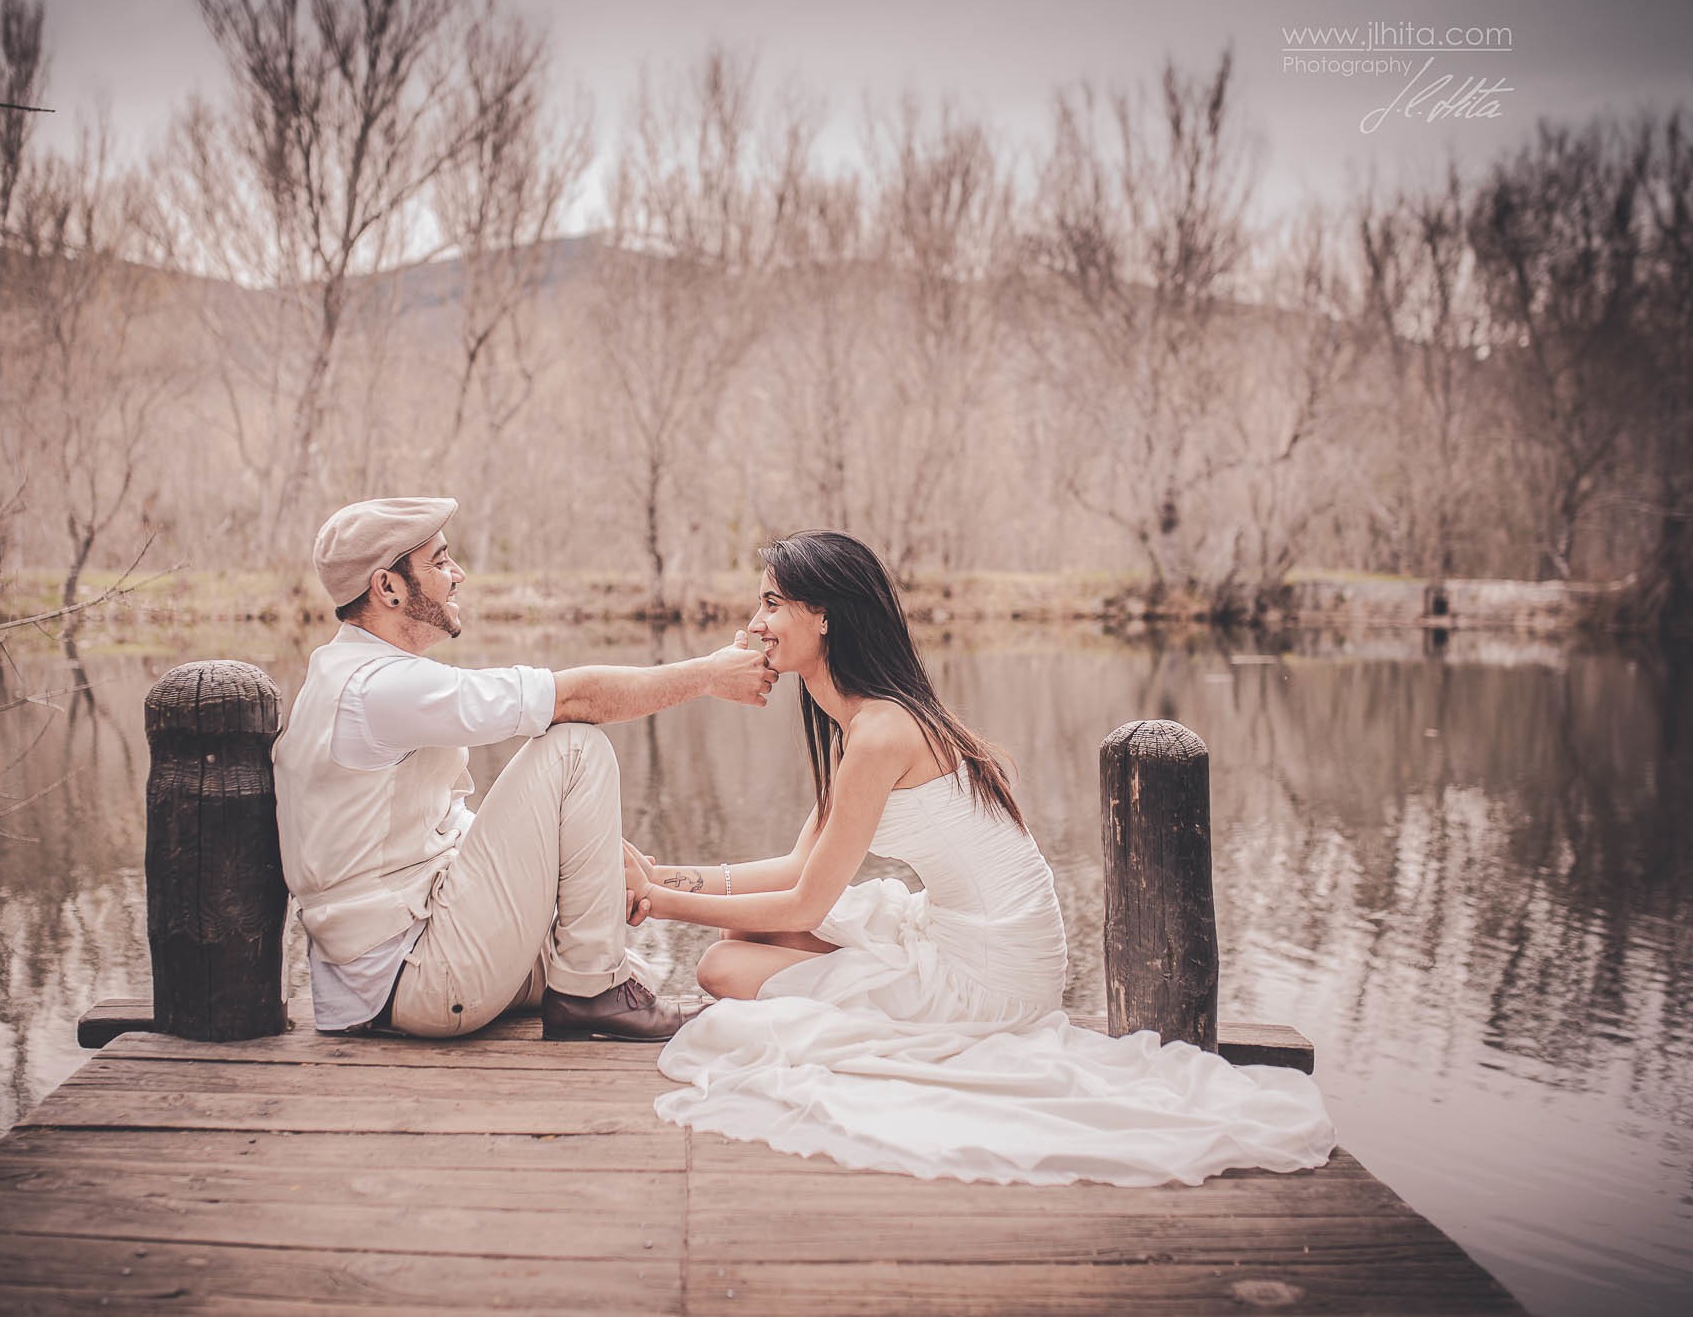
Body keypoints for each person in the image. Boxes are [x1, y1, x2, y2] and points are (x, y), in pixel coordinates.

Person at [624, 530, 1337, 1184]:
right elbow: (792, 869)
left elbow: (804, 902)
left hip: (994, 975)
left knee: (721, 962)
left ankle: (889, 1008)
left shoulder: (880, 732)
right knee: (739, 935)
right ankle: (851, 988)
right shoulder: (866, 722)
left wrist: (656, 902)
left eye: (772, 602)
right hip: (963, 935)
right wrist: (659, 874)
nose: (754, 622)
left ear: (826, 617)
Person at [272, 496, 776, 1042]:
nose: (457, 574)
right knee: (575, 745)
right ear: (387, 587)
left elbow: (433, 825)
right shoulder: (379, 688)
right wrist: (707, 675)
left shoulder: (345, 672)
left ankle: (593, 986)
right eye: (439, 562)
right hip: (412, 974)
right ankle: (591, 994)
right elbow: (572, 698)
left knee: (637, 967)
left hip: (399, 966)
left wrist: (592, 852)